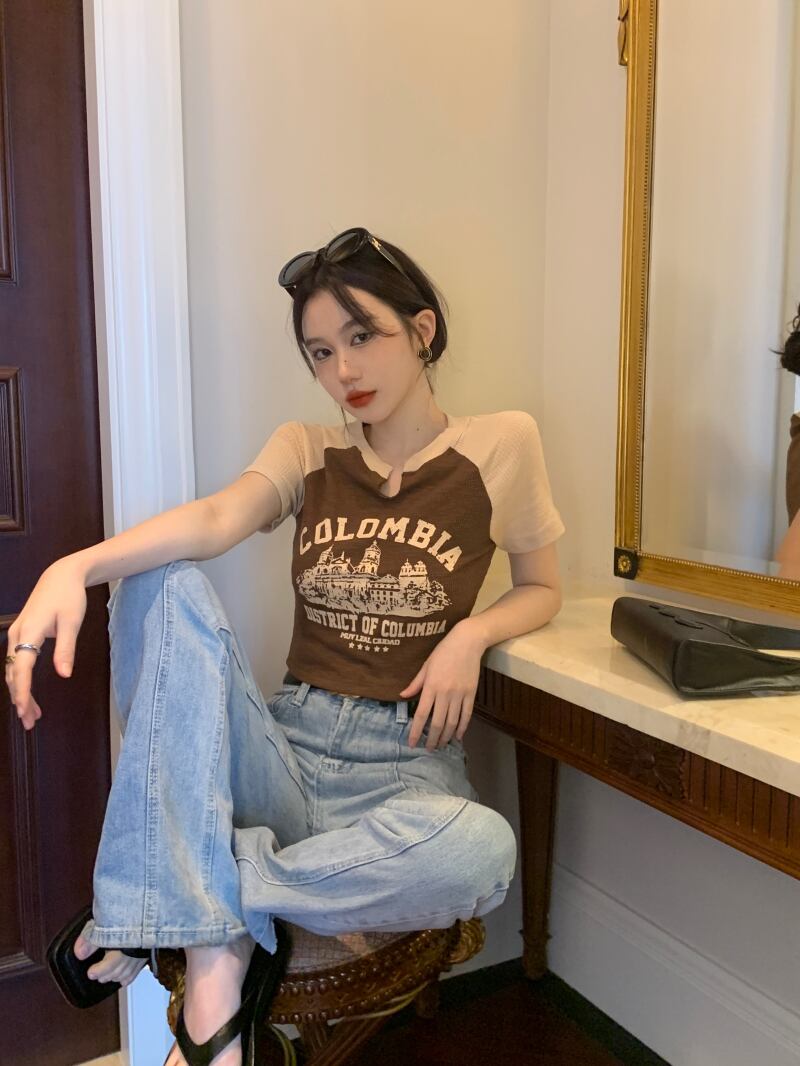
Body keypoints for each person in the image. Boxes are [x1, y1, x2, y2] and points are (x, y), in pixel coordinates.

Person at [4, 227, 564, 1066]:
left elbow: (542, 587)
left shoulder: (503, 444)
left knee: (482, 852)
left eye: (363, 335)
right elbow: (215, 519)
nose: (344, 370)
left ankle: (184, 890)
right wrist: (71, 569)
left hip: (405, 769)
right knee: (161, 581)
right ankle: (214, 947)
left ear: (422, 330)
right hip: (288, 752)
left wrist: (472, 633)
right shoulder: (308, 448)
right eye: (321, 352)